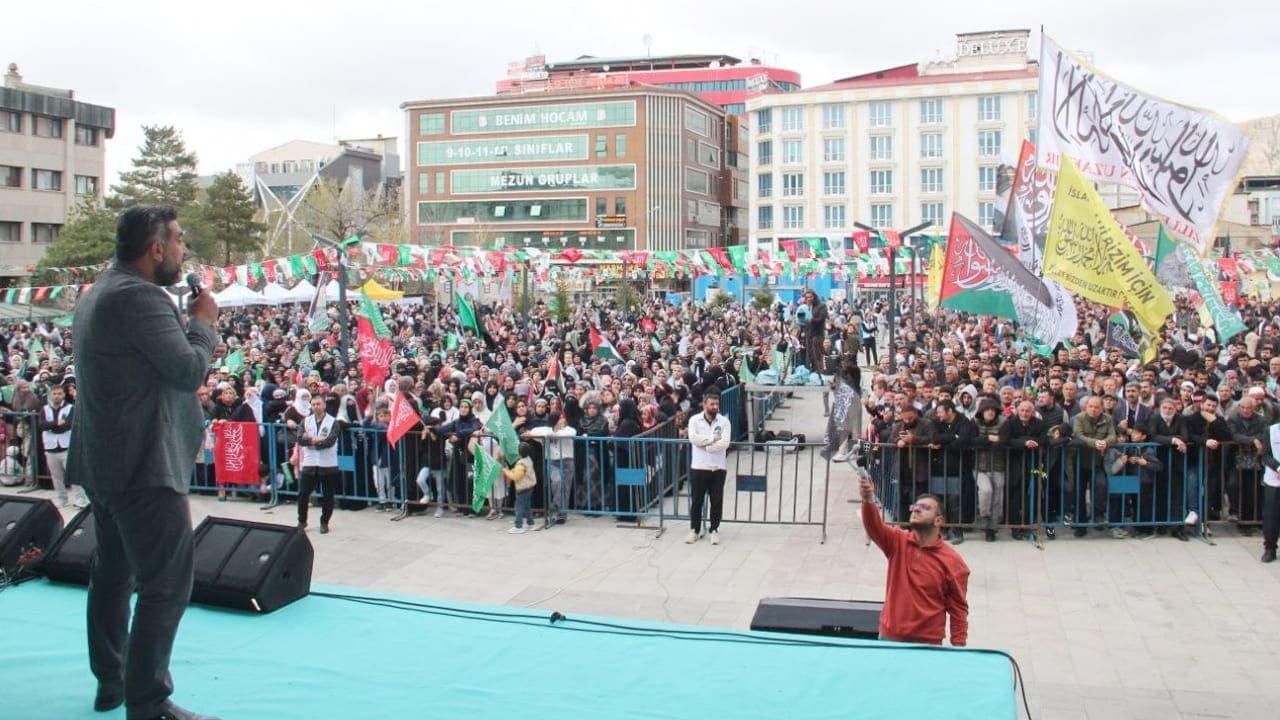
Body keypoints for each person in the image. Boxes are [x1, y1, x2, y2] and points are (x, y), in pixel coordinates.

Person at [67, 205, 222, 720]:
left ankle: (111, 680)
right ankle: (148, 701)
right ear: (155, 248)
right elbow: (185, 370)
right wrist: (203, 326)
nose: (183, 250)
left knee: (112, 572)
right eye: (178, 241)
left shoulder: (100, 292)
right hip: (143, 465)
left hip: (105, 459)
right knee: (166, 581)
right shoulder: (140, 297)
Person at [858, 477, 970, 646]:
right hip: (890, 638)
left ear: (938, 520)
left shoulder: (954, 563)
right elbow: (874, 527)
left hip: (927, 645)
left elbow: (958, 611)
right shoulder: (897, 541)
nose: (916, 509)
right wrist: (867, 500)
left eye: (924, 507)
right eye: (914, 506)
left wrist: (958, 650)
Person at [686, 392, 731, 545]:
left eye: (717, 404)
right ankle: (695, 529)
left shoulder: (724, 422)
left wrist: (708, 447)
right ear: (704, 405)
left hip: (718, 467)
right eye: (712, 404)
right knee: (697, 500)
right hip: (699, 466)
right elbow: (693, 439)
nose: (715, 407)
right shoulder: (694, 420)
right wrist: (712, 440)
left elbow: (724, 443)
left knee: (716, 501)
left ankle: (714, 529)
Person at [297, 394, 340, 533]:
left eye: (318, 404)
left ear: (324, 405)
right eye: (314, 404)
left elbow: (330, 441)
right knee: (303, 494)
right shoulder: (306, 421)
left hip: (328, 464)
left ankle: (324, 522)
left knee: (328, 496)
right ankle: (302, 521)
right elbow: (300, 439)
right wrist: (315, 440)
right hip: (309, 463)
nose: (316, 407)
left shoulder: (333, 421)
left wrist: (311, 441)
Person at [40, 383, 87, 507]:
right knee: (57, 477)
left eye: (59, 394)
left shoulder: (70, 408)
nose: (57, 396)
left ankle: (80, 498)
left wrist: (52, 426)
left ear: (64, 395)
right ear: (50, 395)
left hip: (66, 446)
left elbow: (67, 425)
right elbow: (41, 425)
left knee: (74, 475)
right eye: (54, 394)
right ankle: (62, 499)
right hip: (51, 447)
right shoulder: (44, 409)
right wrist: (56, 423)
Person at [501, 441, 538, 534]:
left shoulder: (521, 464)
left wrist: (505, 471)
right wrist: (513, 470)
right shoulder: (528, 459)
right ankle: (530, 523)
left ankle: (518, 526)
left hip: (523, 488)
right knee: (527, 506)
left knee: (519, 507)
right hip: (529, 486)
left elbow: (515, 477)